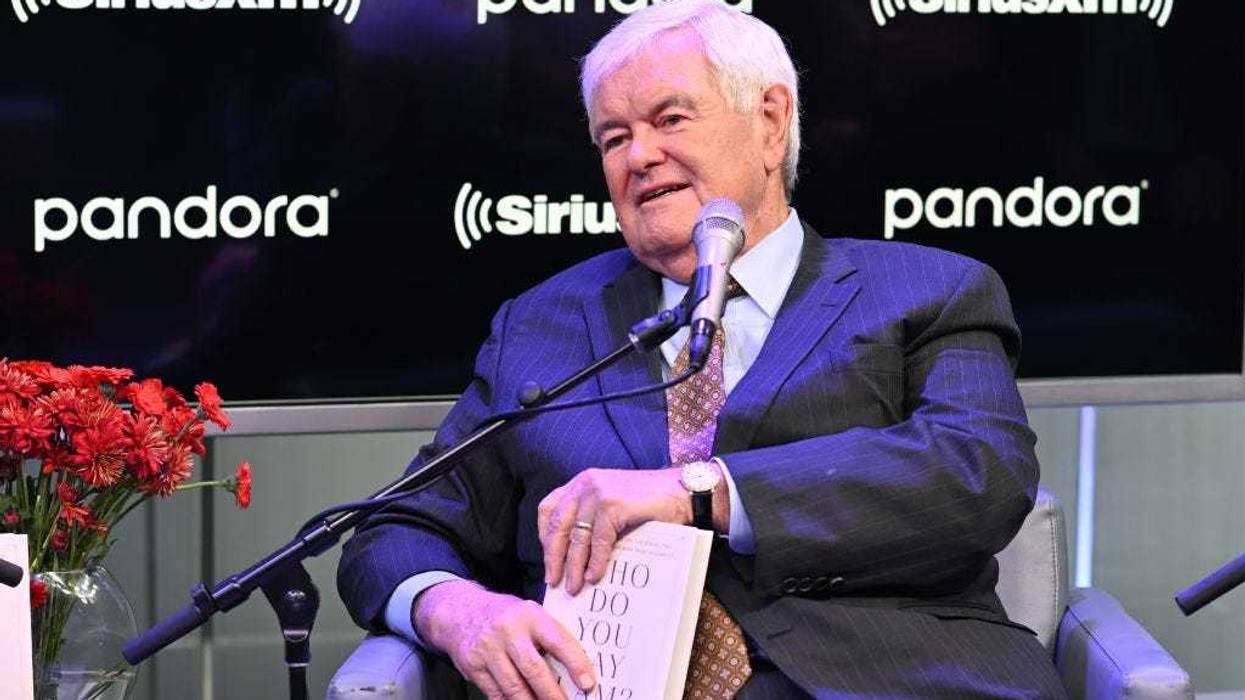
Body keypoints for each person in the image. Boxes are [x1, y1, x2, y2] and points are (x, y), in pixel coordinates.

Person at [338, 1, 1066, 697]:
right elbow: (397, 528)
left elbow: (978, 472)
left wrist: (700, 491)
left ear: (770, 123)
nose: (639, 156)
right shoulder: (540, 327)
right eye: (613, 137)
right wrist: (460, 612)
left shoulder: (926, 291)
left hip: (886, 679)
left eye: (668, 119)